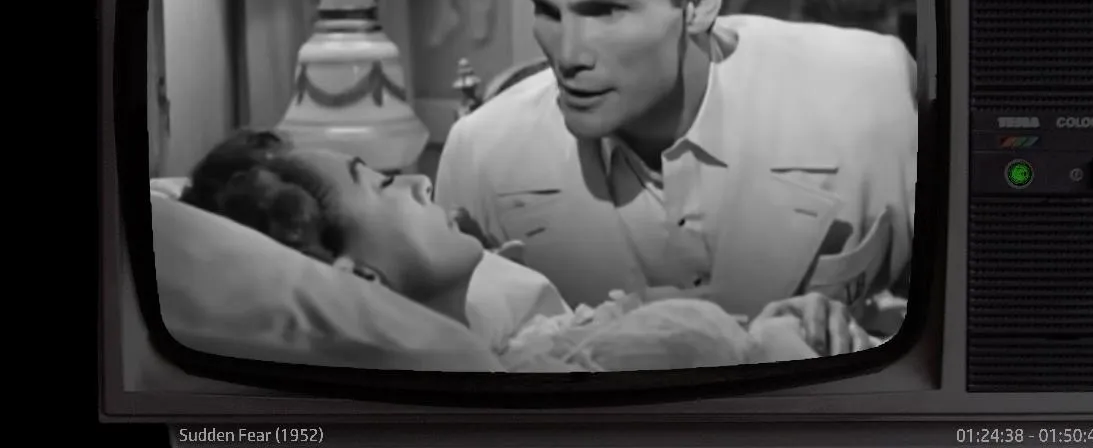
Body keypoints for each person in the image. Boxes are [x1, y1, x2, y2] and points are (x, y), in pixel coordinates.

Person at [434, 0, 917, 357]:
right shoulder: (482, 155)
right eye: (548, 11)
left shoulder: (870, 93)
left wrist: (863, 330)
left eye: (606, 11)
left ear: (700, 3)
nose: (569, 55)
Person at [176, 129, 873, 372]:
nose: (421, 180)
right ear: (358, 276)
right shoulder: (547, 376)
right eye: (383, 183)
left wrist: (795, 322)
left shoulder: (539, 338)